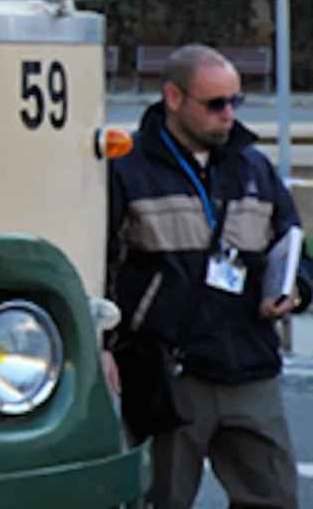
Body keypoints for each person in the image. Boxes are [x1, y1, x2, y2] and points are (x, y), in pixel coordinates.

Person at [104, 44, 313, 509]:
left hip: (250, 365)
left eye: (235, 101)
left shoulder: (253, 167)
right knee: (160, 499)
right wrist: (103, 344)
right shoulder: (126, 169)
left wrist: (295, 289)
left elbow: (293, 246)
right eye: (215, 103)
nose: (228, 115)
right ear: (174, 98)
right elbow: (99, 265)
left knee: (276, 496)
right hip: (168, 372)